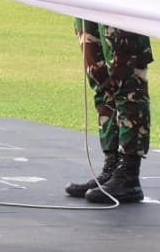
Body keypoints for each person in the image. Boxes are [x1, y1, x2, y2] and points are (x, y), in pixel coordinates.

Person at [64, 19, 152, 204]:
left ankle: (128, 173)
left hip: (119, 4)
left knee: (128, 85)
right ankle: (111, 167)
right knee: (101, 80)